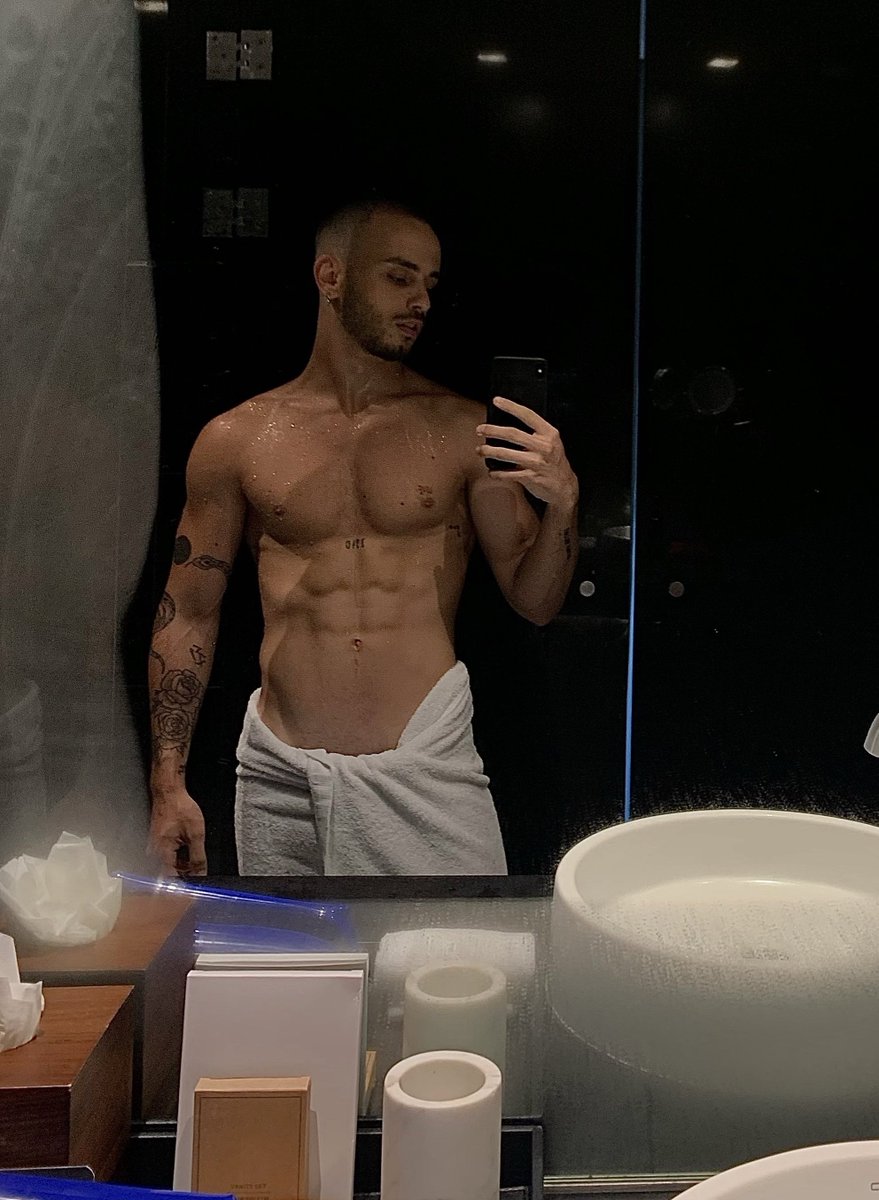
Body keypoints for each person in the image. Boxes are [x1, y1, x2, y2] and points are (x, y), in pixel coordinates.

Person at [147, 199, 579, 877]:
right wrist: (168, 783)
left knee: (460, 946)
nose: (420, 302)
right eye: (399, 278)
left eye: (429, 284)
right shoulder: (237, 439)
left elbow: (536, 600)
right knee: (293, 951)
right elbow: (188, 613)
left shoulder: (461, 431)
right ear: (332, 276)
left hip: (428, 770)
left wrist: (564, 502)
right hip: (282, 778)